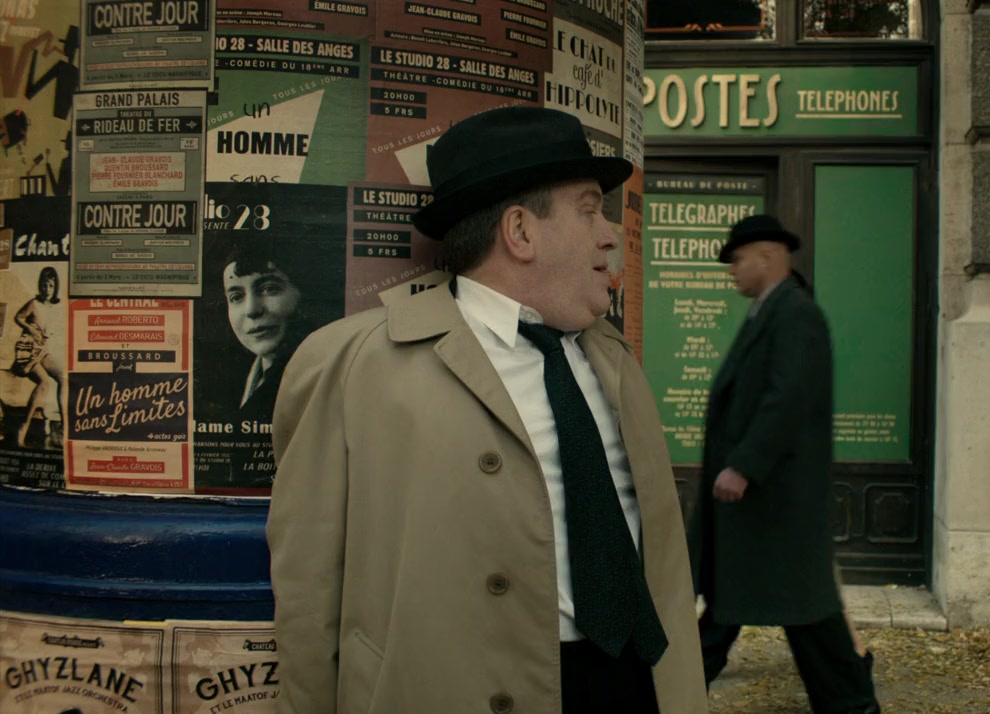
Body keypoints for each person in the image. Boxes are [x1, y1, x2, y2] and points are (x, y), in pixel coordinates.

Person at [266, 107, 705, 714]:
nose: (610, 235)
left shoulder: (613, 359)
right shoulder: (353, 364)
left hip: (630, 683)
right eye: (589, 210)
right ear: (520, 232)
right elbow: (308, 593)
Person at [689, 214, 880, 714]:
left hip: (773, 503)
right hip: (762, 509)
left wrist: (744, 465)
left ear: (767, 256)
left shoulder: (795, 314)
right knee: (740, 607)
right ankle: (674, 695)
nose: (732, 270)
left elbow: (787, 398)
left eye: (737, 260)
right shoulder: (770, 311)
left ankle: (853, 706)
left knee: (805, 615)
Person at [219, 242, 313, 425]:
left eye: (269, 289)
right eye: (236, 297)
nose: (251, 310)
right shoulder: (234, 384)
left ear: (302, 293)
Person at [13, 266, 64, 448]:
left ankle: (64, 426)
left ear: (55, 288)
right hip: (27, 349)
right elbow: (18, 317)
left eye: (50, 286)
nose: (46, 290)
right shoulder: (34, 303)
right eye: (44, 285)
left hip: (42, 350)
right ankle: (23, 427)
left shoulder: (54, 307)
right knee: (45, 382)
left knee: (63, 377)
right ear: (39, 286)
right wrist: (30, 328)